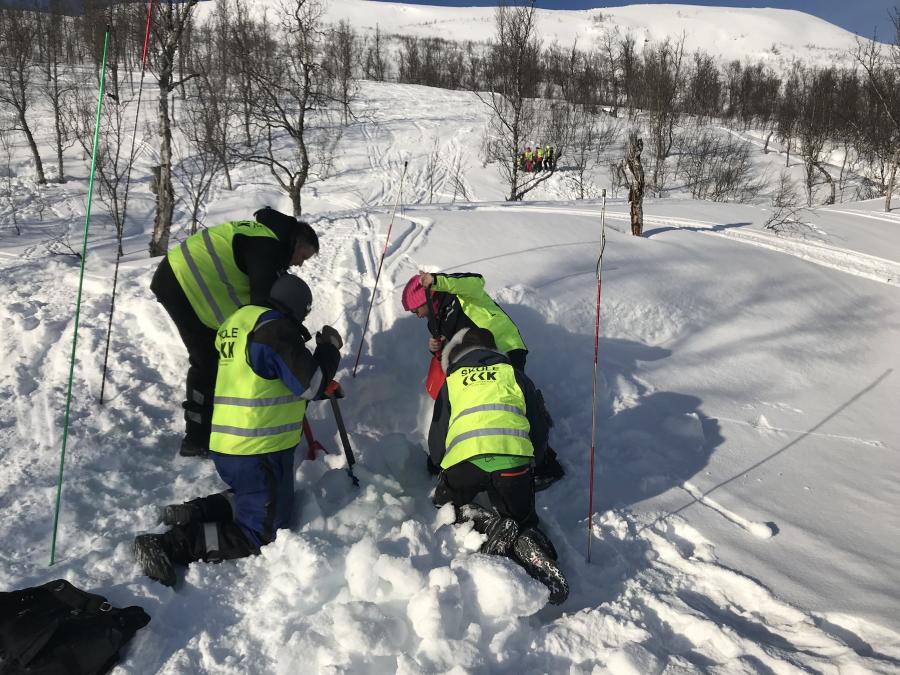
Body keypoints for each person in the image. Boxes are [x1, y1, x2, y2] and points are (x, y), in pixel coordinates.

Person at [133, 275, 342, 587]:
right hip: (258, 450)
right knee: (260, 532)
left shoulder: (241, 325)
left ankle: (196, 511)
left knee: (254, 494)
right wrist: (329, 350)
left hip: (229, 444)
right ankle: (171, 544)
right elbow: (310, 385)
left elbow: (264, 380)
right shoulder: (275, 332)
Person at [150, 206, 319, 458]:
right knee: (207, 360)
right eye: (302, 257)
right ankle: (196, 438)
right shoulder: (267, 246)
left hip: (191, 284)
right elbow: (264, 309)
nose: (299, 264)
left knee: (223, 352)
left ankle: (216, 423)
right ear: (296, 242)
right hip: (178, 283)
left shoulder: (266, 238)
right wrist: (288, 349)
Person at [428, 327, 568, 604]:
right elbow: (538, 426)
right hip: (512, 460)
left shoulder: (453, 380)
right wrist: (536, 462)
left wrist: (437, 463)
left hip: (465, 462)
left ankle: (486, 522)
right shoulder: (515, 375)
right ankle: (525, 535)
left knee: (446, 505)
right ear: (493, 351)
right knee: (521, 514)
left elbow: (438, 431)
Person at [401, 271, 565, 490]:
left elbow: (476, 281)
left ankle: (545, 465)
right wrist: (436, 348)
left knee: (512, 400)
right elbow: (450, 349)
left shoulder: (460, 294)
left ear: (427, 299)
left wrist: (437, 281)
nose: (416, 315)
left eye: (416, 310)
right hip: (475, 361)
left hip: (504, 348)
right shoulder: (435, 321)